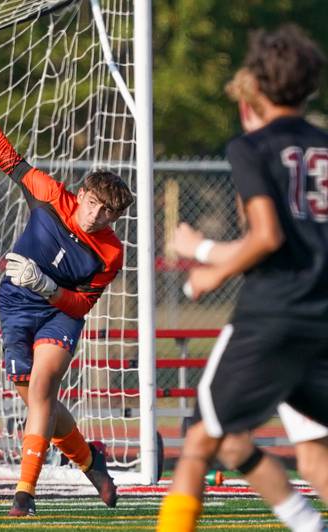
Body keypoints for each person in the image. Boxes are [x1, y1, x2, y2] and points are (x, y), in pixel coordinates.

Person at [0, 78, 133, 516]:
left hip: (59, 314)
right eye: (96, 205)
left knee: (43, 387)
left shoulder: (112, 252)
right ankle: (90, 460)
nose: (100, 216)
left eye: (111, 213)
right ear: (81, 195)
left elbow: (81, 305)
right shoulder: (48, 194)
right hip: (16, 304)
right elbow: (5, 155)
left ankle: (24, 493)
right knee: (34, 397)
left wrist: (47, 287)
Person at [157, 24, 328, 532]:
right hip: (322, 318)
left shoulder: (252, 147)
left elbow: (266, 235)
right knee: (311, 452)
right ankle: (307, 524)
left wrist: (203, 258)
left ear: (256, 85)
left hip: (272, 317)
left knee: (199, 445)